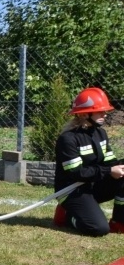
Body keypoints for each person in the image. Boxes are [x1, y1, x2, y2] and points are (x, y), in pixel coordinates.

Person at [53, 87, 124, 236]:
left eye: (105, 111)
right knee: (98, 228)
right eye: (100, 111)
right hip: (71, 190)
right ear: (84, 114)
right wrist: (109, 171)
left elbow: (109, 162)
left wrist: (119, 166)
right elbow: (76, 173)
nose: (105, 114)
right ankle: (66, 216)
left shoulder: (100, 133)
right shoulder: (68, 139)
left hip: (92, 184)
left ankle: (118, 223)